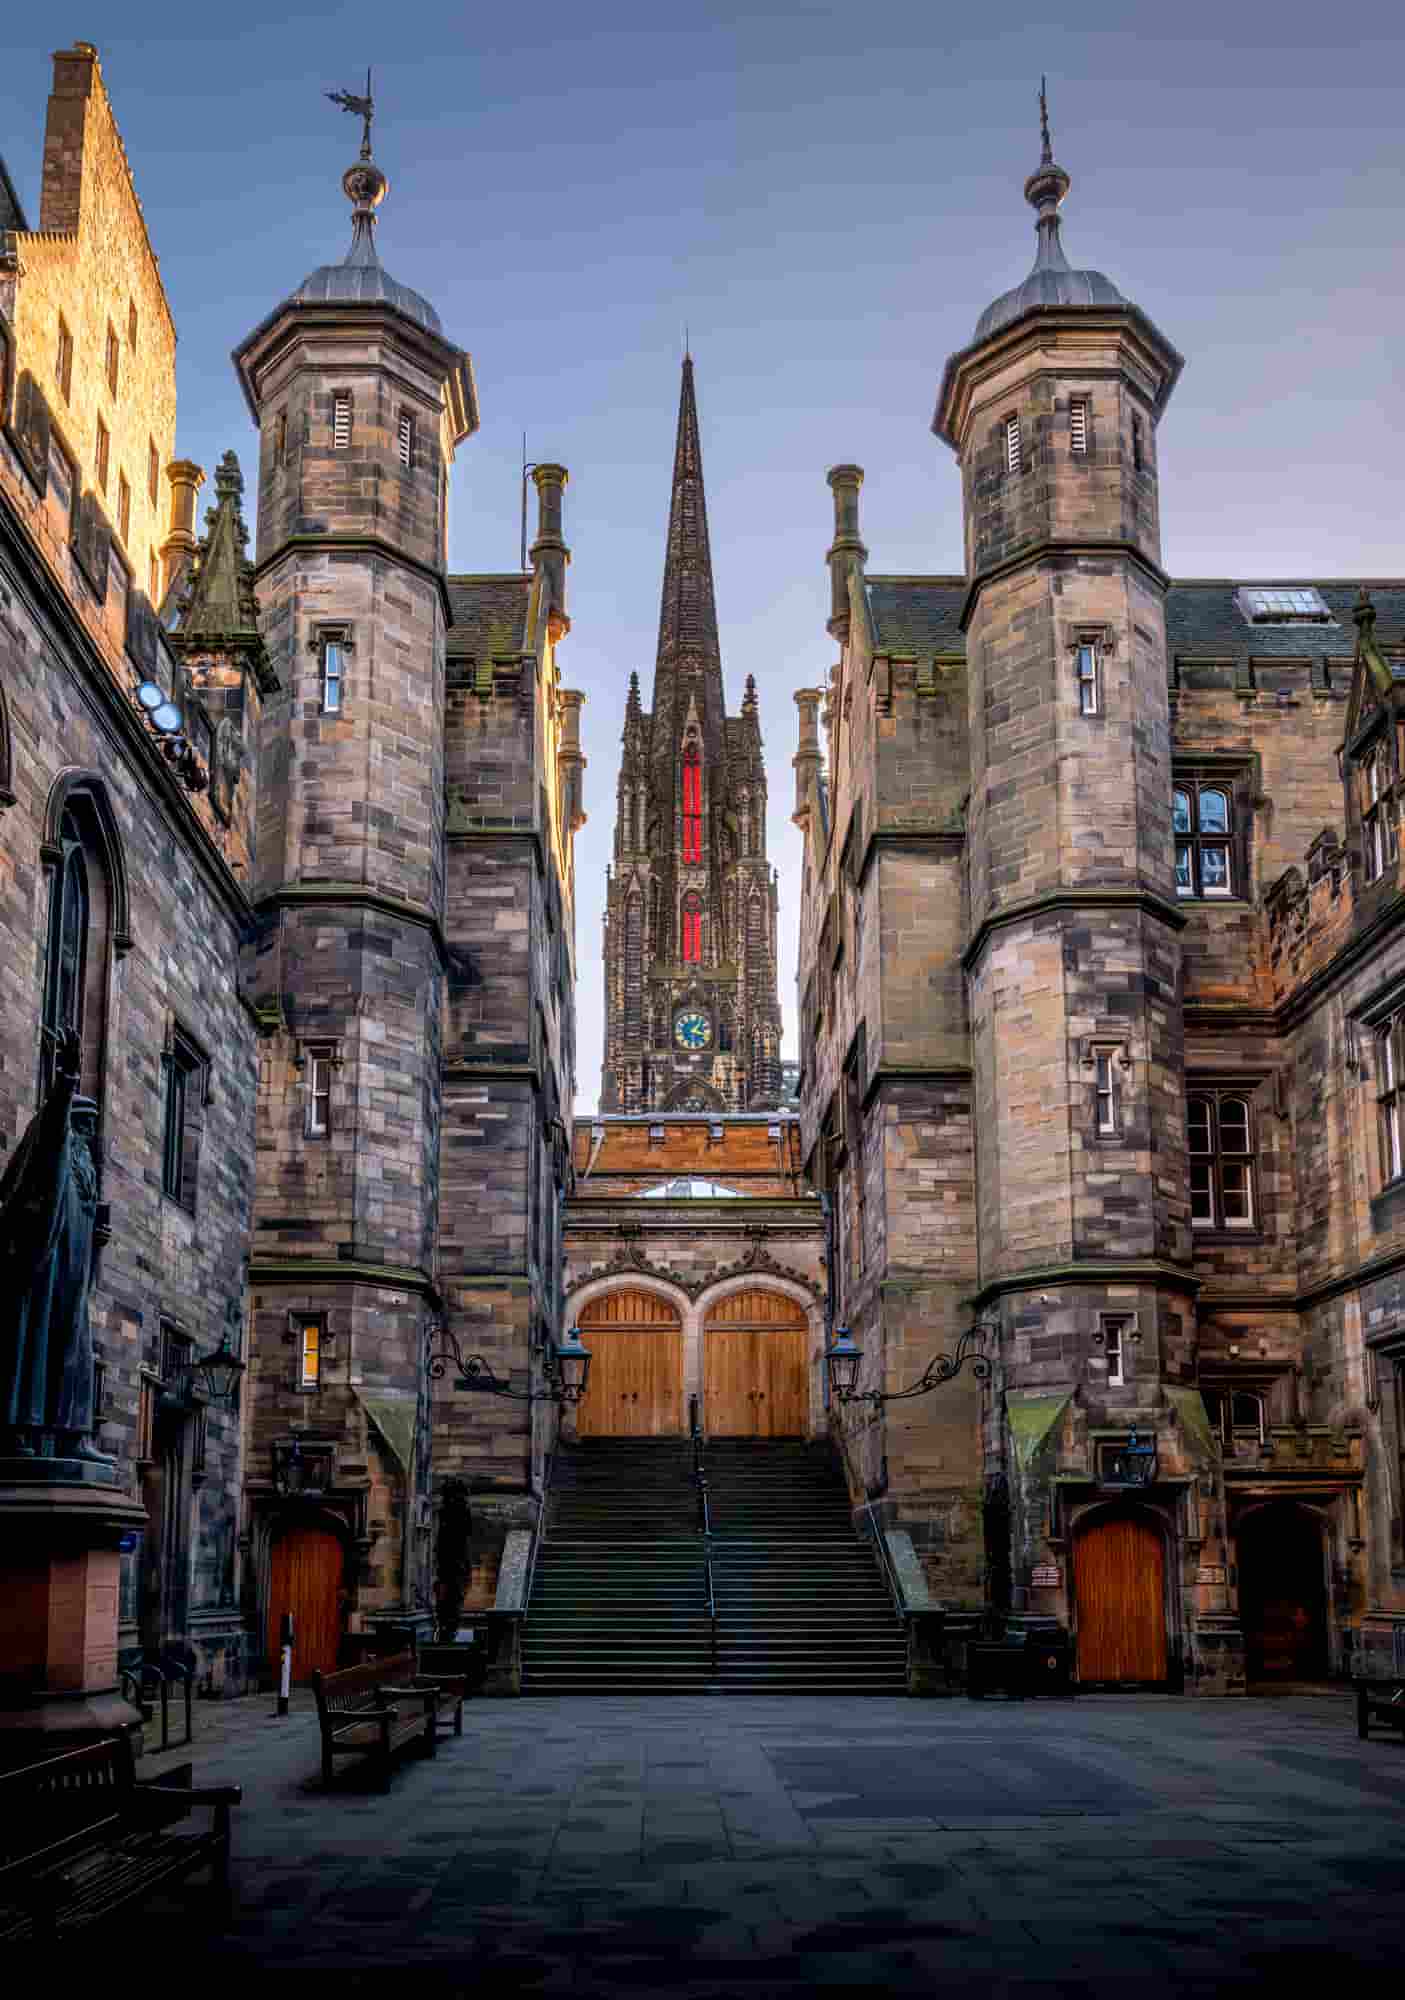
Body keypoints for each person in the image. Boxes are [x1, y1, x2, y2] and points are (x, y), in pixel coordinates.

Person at [0, 1026, 114, 1460]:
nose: (88, 1131)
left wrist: (97, 1238)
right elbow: (53, 1128)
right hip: (43, 1268)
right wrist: (67, 1081)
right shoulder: (55, 1144)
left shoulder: (85, 1168)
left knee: (77, 1351)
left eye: (91, 1124)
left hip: (74, 1273)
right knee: (34, 1346)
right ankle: (19, 1432)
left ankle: (74, 1436)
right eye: (83, 1123)